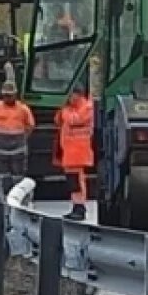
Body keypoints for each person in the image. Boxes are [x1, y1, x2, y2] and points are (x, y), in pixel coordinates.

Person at [0, 80, 35, 197]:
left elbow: (30, 125)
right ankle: (3, 198)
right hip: (0, 148)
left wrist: (21, 137)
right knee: (2, 175)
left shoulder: (23, 109)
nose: (8, 98)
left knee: (18, 174)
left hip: (18, 148)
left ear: (15, 95)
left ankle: (19, 197)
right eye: (6, 95)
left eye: (10, 95)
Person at [54, 85, 94, 221]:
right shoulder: (69, 108)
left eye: (71, 96)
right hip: (70, 151)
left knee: (77, 180)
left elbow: (74, 120)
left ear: (78, 95)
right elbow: (57, 120)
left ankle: (79, 207)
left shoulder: (87, 107)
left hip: (78, 151)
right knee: (73, 181)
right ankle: (76, 206)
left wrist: (64, 110)